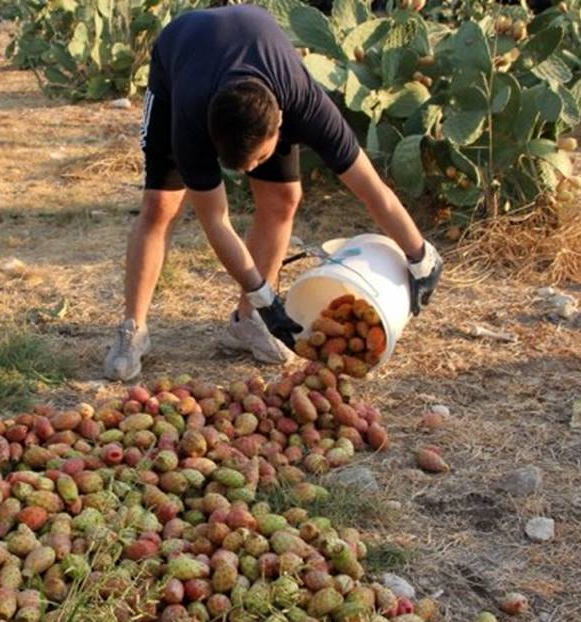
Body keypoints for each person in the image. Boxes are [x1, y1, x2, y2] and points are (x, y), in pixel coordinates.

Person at [104, 4, 442, 381]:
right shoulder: (191, 120)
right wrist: (267, 296)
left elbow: (371, 189)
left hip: (260, 60)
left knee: (283, 199)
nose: (248, 172)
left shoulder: (308, 106)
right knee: (160, 206)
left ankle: (246, 323)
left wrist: (421, 255)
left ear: (280, 123)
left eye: (258, 159)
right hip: (181, 60)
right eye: (237, 165)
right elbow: (216, 222)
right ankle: (133, 329)